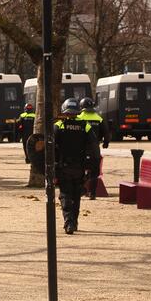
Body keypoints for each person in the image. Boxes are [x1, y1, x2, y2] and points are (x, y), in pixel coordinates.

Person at [54, 98, 98, 235]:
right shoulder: (85, 126)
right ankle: (74, 221)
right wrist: (93, 168)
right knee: (76, 194)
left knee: (65, 194)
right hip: (80, 167)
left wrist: (53, 168)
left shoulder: (58, 125)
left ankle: (69, 222)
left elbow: (50, 148)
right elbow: (94, 147)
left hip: (63, 167)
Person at [77, 97, 111, 200]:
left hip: (81, 149)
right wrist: (105, 143)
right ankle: (92, 194)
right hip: (95, 149)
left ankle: (81, 190)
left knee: (79, 171)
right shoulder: (99, 118)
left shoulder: (79, 118)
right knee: (94, 173)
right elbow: (106, 133)